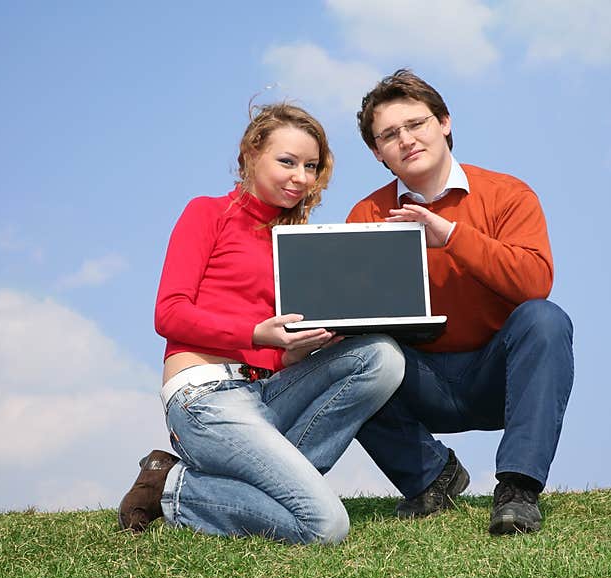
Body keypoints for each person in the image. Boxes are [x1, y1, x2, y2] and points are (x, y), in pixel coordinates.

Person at [117, 102, 404, 544]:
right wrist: (256, 334)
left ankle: (252, 485)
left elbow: (273, 347)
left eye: (311, 166)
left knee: (381, 356)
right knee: (325, 527)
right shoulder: (207, 212)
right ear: (252, 154)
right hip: (206, 395)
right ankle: (173, 487)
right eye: (286, 161)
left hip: (267, 391)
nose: (300, 177)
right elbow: (169, 313)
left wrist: (291, 352)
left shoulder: (296, 244)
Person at [346, 69, 574, 535]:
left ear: (444, 122)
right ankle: (431, 477)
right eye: (389, 134)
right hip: (415, 380)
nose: (406, 140)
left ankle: (517, 489)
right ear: (377, 152)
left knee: (545, 320)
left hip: (497, 375)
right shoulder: (366, 215)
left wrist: (450, 236)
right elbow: (355, 318)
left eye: (417, 124)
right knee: (347, 353)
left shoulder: (508, 194)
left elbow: (536, 282)